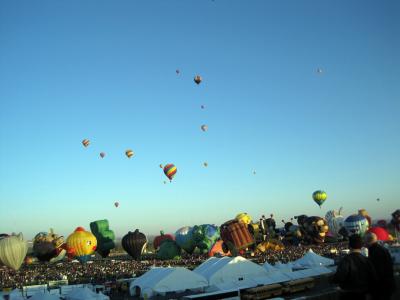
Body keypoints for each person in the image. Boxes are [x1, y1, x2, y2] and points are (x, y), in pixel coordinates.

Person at [332, 234, 378, 300]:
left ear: (349, 245)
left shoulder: (346, 260)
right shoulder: (366, 260)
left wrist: (331, 280)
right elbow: (374, 278)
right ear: (361, 246)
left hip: (349, 295)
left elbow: (339, 277)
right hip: (363, 295)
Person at [365, 232, 396, 300]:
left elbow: (377, 272)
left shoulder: (375, 252)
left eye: (365, 241)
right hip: (387, 285)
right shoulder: (382, 249)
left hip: (380, 288)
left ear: (368, 241)